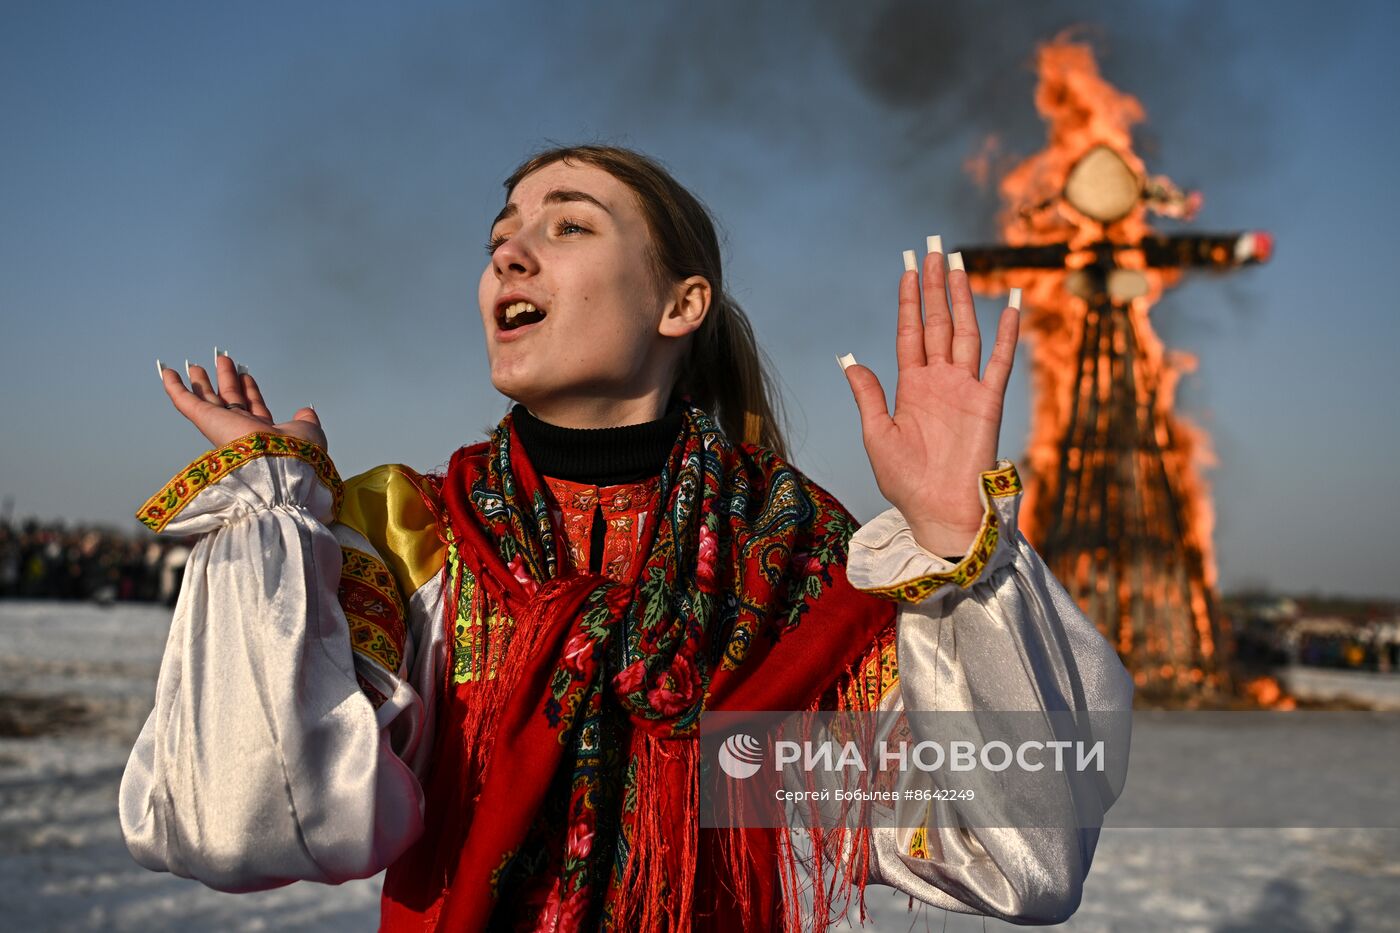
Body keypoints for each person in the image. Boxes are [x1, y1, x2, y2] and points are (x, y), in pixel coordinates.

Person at [121, 145, 1133, 931]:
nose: (508, 254)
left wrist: (960, 544)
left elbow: (1014, 853)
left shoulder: (800, 567)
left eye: (567, 227)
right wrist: (273, 511)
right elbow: (247, 820)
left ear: (679, 303)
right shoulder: (412, 538)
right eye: (498, 238)